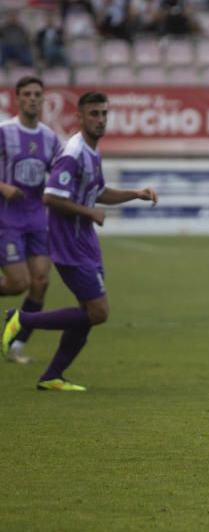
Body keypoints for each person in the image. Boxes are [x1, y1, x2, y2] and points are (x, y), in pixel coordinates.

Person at [1, 92, 158, 391]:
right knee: (98, 312)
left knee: (87, 314)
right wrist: (89, 212)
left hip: (85, 242)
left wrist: (134, 193)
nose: (100, 120)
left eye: (104, 114)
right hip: (69, 244)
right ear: (81, 117)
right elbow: (50, 196)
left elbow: (97, 191)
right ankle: (21, 320)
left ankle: (52, 376)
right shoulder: (73, 153)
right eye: (94, 114)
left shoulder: (91, 151)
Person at [0, 77, 63, 365]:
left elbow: (62, 173)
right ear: (18, 98)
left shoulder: (50, 137)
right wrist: (3, 187)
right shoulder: (5, 132)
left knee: (40, 282)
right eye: (27, 94)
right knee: (17, 283)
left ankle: (14, 344)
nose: (33, 99)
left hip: (37, 218)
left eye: (38, 94)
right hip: (7, 219)